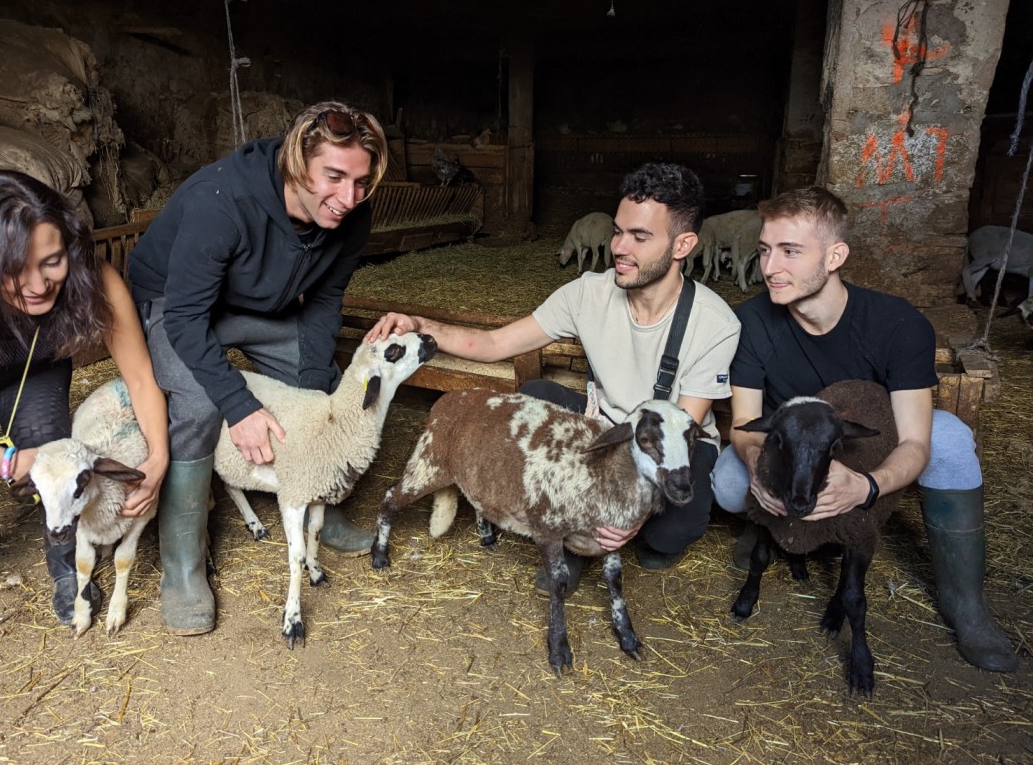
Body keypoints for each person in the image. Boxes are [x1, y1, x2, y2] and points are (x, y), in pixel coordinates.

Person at [366, 162, 740, 593]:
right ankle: (567, 534)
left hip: (674, 440)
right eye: (618, 231)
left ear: (683, 245)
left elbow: (680, 431)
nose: (619, 246)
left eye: (640, 237)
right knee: (533, 394)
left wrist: (632, 520)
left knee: (668, 533)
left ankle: (608, 531)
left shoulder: (715, 323)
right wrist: (417, 324)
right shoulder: (588, 292)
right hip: (602, 425)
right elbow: (493, 345)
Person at [711, 186, 1017, 673]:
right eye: (765, 250)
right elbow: (745, 428)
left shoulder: (898, 324)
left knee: (953, 440)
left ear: (835, 256)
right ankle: (776, 524)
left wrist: (868, 485)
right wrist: (756, 471)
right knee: (728, 486)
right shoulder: (749, 321)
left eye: (791, 252)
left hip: (870, 442)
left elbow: (915, 440)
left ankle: (966, 604)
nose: (770, 268)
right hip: (787, 445)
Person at [128, 100, 389, 635]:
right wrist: (239, 404)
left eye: (361, 182)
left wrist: (315, 390)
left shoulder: (352, 214)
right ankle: (183, 560)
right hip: (179, 305)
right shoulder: (222, 200)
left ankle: (319, 498)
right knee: (201, 401)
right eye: (334, 177)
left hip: (258, 305)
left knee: (321, 377)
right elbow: (185, 316)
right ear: (297, 163)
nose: (348, 198)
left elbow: (323, 302)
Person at [0, 170, 169, 623]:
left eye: (52, 261)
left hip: (29, 373)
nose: (37, 284)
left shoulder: (92, 276)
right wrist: (5, 462)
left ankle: (69, 565)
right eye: (13, 269)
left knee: (60, 463)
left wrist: (158, 459)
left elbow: (141, 379)